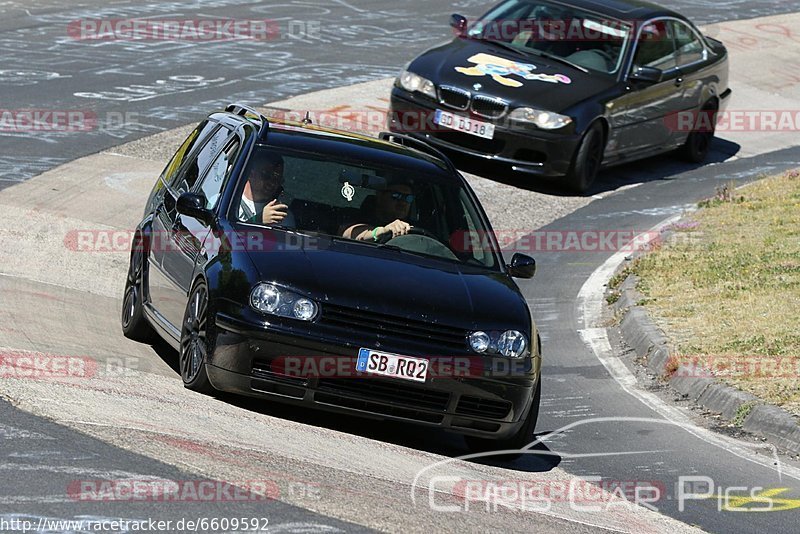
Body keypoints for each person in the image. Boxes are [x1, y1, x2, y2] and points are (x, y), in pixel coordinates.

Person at [342, 180, 415, 241]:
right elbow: (349, 234)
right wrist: (383, 231)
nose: (403, 203)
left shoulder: (414, 228)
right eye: (396, 195)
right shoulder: (355, 216)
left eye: (408, 198)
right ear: (380, 195)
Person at [238, 150, 295, 227]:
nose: (272, 183)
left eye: (277, 179)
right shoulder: (227, 202)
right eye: (266, 176)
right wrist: (259, 220)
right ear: (251, 174)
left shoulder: (281, 216)